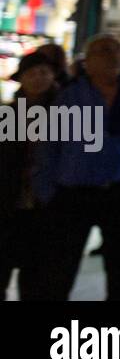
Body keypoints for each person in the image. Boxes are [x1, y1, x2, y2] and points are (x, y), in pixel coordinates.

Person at [37, 34, 120, 301]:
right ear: (88, 62)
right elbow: (51, 146)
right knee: (61, 269)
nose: (111, 55)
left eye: (116, 50)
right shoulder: (72, 96)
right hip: (75, 191)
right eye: (103, 51)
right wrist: (48, 193)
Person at [1, 51, 60, 299]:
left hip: (45, 204)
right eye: (32, 73)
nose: (38, 78)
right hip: (8, 201)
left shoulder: (63, 113)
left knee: (36, 274)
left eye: (44, 72)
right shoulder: (8, 113)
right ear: (22, 78)